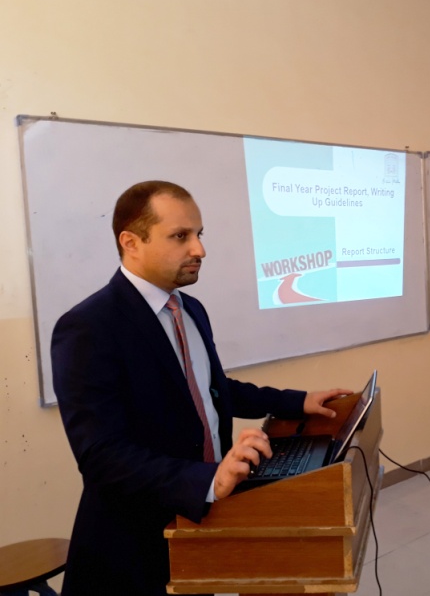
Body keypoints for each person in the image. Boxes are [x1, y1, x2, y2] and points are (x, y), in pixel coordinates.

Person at [51, 181, 351, 596]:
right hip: (135, 546)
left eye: (199, 234)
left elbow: (211, 388)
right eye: (180, 236)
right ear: (131, 242)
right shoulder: (88, 326)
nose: (199, 249)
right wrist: (207, 480)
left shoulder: (189, 308)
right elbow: (102, 457)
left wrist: (298, 402)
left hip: (200, 524)